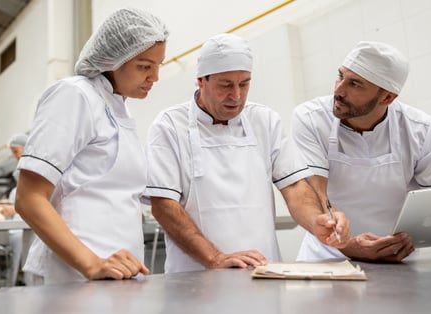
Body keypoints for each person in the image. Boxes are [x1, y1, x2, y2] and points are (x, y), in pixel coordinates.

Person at [144, 33, 350, 274]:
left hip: (262, 273)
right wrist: (215, 257)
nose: (237, 96)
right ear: (201, 81)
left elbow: (295, 187)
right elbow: (163, 205)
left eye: (244, 83)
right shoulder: (169, 126)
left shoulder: (265, 120)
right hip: (197, 279)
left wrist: (317, 221)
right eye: (225, 85)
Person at [15, 7, 168, 284]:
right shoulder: (74, 95)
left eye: (158, 66)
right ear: (113, 60)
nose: (154, 77)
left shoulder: (119, 108)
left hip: (116, 275)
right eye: (145, 66)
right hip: (72, 275)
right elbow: (29, 198)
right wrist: (92, 264)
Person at [291, 41, 431, 262]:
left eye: (355, 84)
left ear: (387, 98)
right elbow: (315, 191)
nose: (338, 90)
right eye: (340, 76)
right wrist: (346, 244)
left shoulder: (422, 130)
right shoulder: (311, 118)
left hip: (399, 261)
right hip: (327, 257)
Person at [0, 133, 37, 286]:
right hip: (20, 228)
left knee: (31, 266)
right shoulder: (26, 169)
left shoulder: (35, 169)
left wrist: (13, 209)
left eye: (16, 151)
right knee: (24, 264)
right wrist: (9, 204)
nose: (15, 156)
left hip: (31, 228)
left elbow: (35, 202)